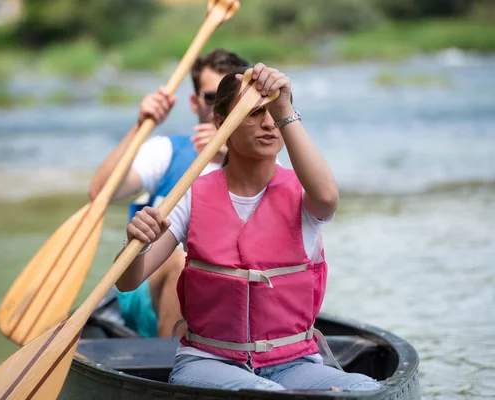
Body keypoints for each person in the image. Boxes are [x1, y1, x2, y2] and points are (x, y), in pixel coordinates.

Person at [116, 63, 383, 391]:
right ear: (221, 124)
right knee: (264, 393)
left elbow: (328, 198)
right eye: (255, 112)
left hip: (294, 364)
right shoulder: (191, 195)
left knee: (366, 390)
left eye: (273, 112)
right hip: (208, 362)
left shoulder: (305, 194)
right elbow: (128, 281)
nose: (269, 123)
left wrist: (283, 104)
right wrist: (136, 242)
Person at [89, 49, 249, 338]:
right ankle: (171, 364)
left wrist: (234, 155)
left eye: (234, 99)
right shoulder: (166, 150)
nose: (221, 107)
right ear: (194, 102)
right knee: (182, 261)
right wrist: (140, 125)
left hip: (227, 287)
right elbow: (101, 192)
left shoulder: (260, 161)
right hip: (147, 280)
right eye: (212, 97)